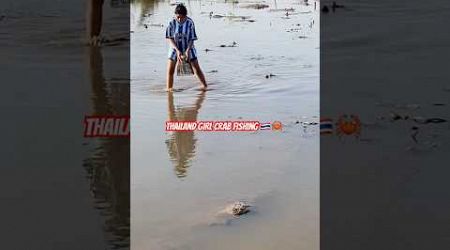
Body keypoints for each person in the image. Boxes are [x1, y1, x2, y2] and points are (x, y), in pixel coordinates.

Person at [165, 4, 207, 91]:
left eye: (181, 17)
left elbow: (192, 38)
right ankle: (169, 90)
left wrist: (187, 51)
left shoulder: (190, 23)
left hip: (188, 46)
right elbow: (170, 37)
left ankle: (205, 87)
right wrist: (177, 51)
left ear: (185, 16)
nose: (179, 19)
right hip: (174, 47)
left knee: (196, 69)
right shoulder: (172, 22)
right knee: (170, 70)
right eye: (178, 17)